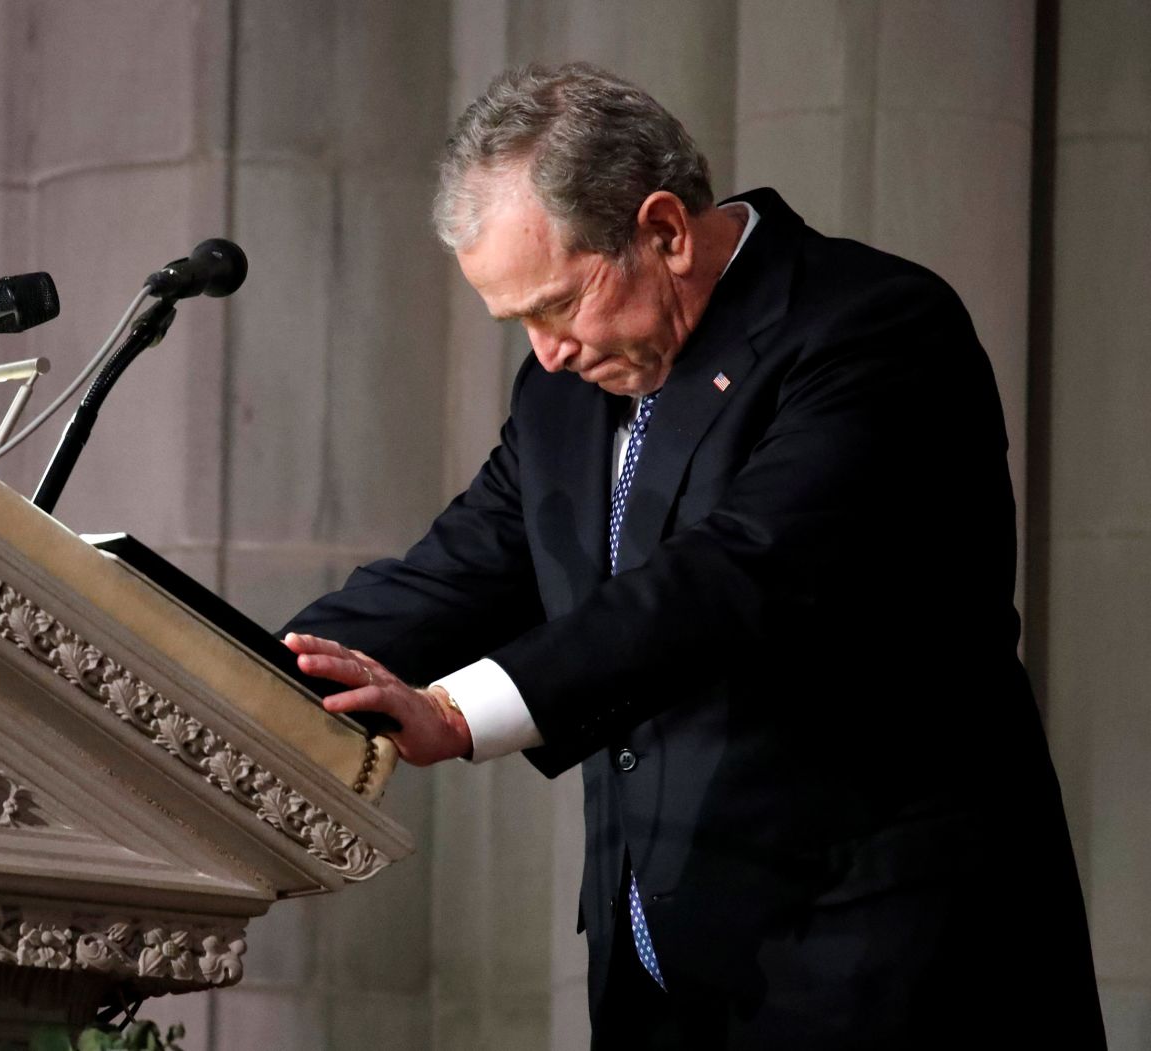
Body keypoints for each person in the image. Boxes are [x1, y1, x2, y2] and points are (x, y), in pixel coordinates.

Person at [280, 63, 1104, 1048]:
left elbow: (735, 573)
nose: (545, 352)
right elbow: (459, 566)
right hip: (665, 976)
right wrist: (235, 674)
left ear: (664, 231)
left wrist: (455, 714)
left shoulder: (869, 325)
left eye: (556, 306)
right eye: (519, 324)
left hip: (880, 960)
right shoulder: (562, 391)